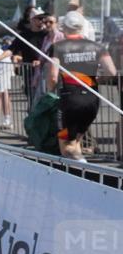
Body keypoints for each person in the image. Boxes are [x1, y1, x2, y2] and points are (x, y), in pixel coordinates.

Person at [47, 11, 117, 161]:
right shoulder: (96, 46)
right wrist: (99, 79)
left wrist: (50, 91)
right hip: (92, 100)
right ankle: (80, 170)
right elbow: (111, 71)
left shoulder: (58, 47)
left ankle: (79, 168)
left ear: (64, 27)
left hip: (69, 101)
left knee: (65, 143)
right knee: (75, 140)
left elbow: (53, 76)